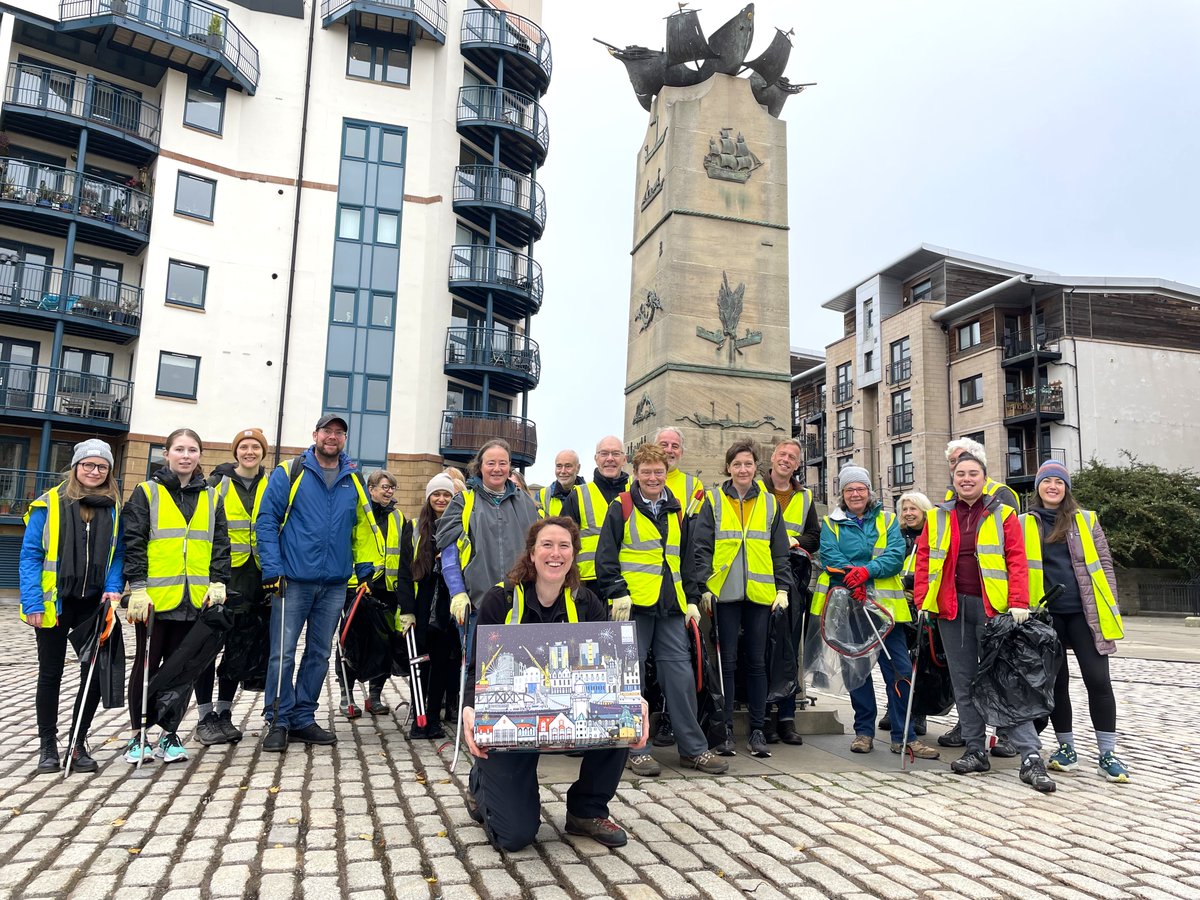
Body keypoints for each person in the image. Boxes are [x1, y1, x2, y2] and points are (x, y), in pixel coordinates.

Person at [462, 517, 648, 852]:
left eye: (564, 546)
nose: (555, 553)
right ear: (531, 553)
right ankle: (481, 783)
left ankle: (586, 811)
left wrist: (639, 703)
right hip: (515, 723)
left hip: (572, 710)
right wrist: (469, 709)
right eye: (547, 545)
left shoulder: (587, 603)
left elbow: (613, 669)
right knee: (516, 837)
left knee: (621, 719)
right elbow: (476, 667)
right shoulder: (500, 601)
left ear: (574, 555)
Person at [914, 452, 1056, 793]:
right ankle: (975, 749)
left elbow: (1017, 560)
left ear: (984, 477)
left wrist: (1019, 602)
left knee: (1005, 682)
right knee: (963, 682)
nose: (966, 478)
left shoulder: (1004, 514)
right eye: (960, 473)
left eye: (973, 473)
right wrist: (922, 600)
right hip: (951, 609)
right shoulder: (938, 516)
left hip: (993, 611)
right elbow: (923, 558)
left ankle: (1030, 756)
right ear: (954, 478)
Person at [595, 443, 728, 777]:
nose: (653, 477)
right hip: (633, 607)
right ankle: (636, 749)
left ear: (666, 473)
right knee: (630, 680)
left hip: (670, 605)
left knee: (681, 677)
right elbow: (605, 557)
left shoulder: (676, 509)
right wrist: (617, 592)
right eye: (646, 472)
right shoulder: (621, 506)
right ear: (635, 474)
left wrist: (692, 600)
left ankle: (693, 749)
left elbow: (683, 559)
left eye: (658, 472)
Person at [255, 415, 384, 753]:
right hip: (292, 581)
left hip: (334, 584)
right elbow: (266, 520)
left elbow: (362, 524)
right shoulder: (290, 472)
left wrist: (366, 564)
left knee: (319, 654)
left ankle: (303, 718)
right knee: (282, 654)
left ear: (344, 439)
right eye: (327, 431)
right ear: (315, 435)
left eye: (339, 432)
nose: (333, 437)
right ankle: (278, 721)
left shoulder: (352, 478)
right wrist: (272, 568)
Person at [810, 466, 939, 760]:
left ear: (869, 491)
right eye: (849, 489)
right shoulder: (831, 523)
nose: (855, 494)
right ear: (842, 494)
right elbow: (829, 555)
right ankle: (864, 732)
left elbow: (895, 555)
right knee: (856, 673)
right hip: (850, 609)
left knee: (900, 671)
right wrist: (849, 578)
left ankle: (904, 735)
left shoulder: (888, 519)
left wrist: (866, 571)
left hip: (887, 611)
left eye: (861, 488)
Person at [123, 428, 231, 764]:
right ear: (167, 453)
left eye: (193, 450)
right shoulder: (147, 493)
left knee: (182, 670)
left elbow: (220, 546)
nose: (186, 456)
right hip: (155, 599)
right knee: (146, 665)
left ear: (200, 456)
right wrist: (137, 587)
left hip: (196, 598)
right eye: (180, 449)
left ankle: (169, 736)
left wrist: (218, 582)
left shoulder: (212, 497)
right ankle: (137, 736)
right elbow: (134, 541)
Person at [20, 439, 125, 775]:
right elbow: (31, 555)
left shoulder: (113, 507)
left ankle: (78, 744)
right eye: (88, 465)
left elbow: (118, 554)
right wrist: (33, 601)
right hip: (55, 602)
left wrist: (112, 589)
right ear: (76, 466)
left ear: (108, 472)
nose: (94, 471)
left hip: (93, 605)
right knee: (50, 673)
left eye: (101, 467)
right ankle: (47, 746)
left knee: (92, 675)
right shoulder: (49, 503)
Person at [1022, 460, 1129, 782]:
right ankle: (1066, 747)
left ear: (1066, 488)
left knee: (1098, 680)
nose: (1052, 486)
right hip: (1046, 614)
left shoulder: (1086, 520)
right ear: (1038, 487)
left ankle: (1107, 752)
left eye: (1058, 481)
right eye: (1046, 481)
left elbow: (1104, 564)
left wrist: (1110, 606)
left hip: (1084, 612)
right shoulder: (1025, 522)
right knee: (1057, 683)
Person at [692, 440, 792, 757]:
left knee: (758, 662)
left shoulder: (769, 503)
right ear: (728, 468)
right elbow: (701, 547)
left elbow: (779, 551)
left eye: (748, 464)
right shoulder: (714, 500)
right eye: (737, 464)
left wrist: (783, 588)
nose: (743, 469)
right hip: (724, 592)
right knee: (727, 663)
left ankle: (758, 730)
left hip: (761, 593)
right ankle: (724, 732)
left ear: (755, 467)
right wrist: (703, 586)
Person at [938, 439, 1019, 755]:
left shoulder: (1001, 497)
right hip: (956, 601)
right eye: (955, 464)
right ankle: (971, 735)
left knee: (997, 670)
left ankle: (1006, 732)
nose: (961, 470)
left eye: (967, 462)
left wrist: (1017, 601)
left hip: (991, 601)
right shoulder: (947, 502)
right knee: (963, 674)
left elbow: (1014, 554)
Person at [195, 427, 269, 746]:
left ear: (263, 452)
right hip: (222, 575)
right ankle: (204, 715)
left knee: (238, 646)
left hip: (257, 578)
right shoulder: (217, 484)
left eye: (255, 447)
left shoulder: (272, 484)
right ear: (235, 451)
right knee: (208, 646)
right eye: (244, 447)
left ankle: (225, 713)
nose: (249, 452)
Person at [336, 470, 414, 720]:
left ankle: (375, 696)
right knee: (351, 643)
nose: (388, 491)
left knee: (384, 644)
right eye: (384, 487)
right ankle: (346, 695)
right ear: (370, 489)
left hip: (387, 591)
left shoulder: (399, 518)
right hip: (358, 588)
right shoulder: (359, 514)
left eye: (392, 487)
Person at [436, 439, 541, 625]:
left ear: (510, 467)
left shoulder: (525, 502)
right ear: (480, 467)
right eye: (490, 463)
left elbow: (537, 549)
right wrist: (457, 592)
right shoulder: (463, 502)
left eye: (503, 463)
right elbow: (449, 551)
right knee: (478, 655)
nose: (497, 469)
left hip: (522, 605)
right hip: (478, 607)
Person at [761, 437, 819, 745]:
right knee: (763, 650)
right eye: (782, 454)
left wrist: (793, 541)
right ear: (772, 458)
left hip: (792, 581)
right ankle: (766, 716)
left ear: (797, 464)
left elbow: (814, 538)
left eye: (793, 457)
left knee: (788, 650)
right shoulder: (757, 491)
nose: (786, 459)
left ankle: (786, 717)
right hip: (760, 577)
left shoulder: (804, 496)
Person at [878, 490, 934, 736]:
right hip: (898, 605)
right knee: (897, 663)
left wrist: (919, 591)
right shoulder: (896, 535)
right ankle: (895, 707)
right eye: (905, 509)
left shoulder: (932, 535)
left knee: (921, 663)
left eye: (914, 509)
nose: (909, 514)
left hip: (923, 607)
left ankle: (918, 712)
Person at [410, 473, 458, 739]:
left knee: (440, 664)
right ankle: (419, 718)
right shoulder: (416, 528)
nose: (441, 499)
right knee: (420, 665)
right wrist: (406, 609)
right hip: (421, 606)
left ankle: (434, 718)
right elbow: (406, 573)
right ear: (429, 497)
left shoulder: (458, 526)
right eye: (437, 494)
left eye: (446, 495)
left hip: (446, 608)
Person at [561, 436, 630, 596]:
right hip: (589, 586)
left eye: (616, 454)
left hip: (630, 584)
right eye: (604, 453)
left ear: (624, 459)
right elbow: (563, 541)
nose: (610, 459)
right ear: (596, 458)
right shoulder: (578, 495)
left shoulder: (637, 492)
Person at [655, 427, 706, 516]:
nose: (669, 450)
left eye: (675, 446)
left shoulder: (694, 484)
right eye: (664, 445)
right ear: (654, 448)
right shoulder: (632, 481)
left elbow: (696, 523)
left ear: (681, 453)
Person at [537, 449, 584, 517]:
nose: (563, 471)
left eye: (568, 466)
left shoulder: (590, 494)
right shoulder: (542, 496)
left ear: (578, 468)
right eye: (559, 466)